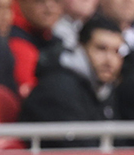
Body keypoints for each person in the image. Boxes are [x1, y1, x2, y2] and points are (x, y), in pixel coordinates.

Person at [19, 16, 124, 147]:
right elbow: (80, 149)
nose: (109, 60)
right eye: (101, 49)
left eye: (116, 52)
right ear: (80, 47)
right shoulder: (58, 88)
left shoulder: (103, 88)